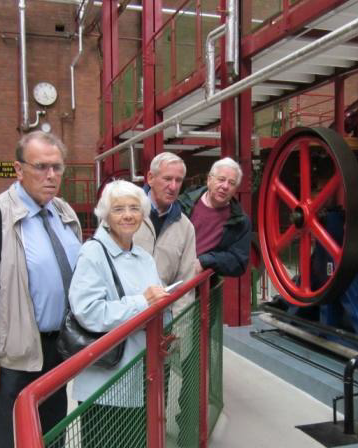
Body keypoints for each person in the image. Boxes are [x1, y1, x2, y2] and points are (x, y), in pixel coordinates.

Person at [0, 131, 82, 448]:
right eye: (41, 167)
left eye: (57, 167)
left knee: (53, 437)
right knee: (16, 441)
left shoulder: (64, 213)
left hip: (58, 350)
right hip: (12, 357)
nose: (51, 176)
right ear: (18, 169)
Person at [68, 180, 170, 448]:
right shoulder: (93, 253)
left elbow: (156, 302)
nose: (128, 215)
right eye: (119, 209)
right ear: (105, 214)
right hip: (107, 383)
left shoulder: (143, 257)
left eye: (135, 208)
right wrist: (142, 302)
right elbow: (88, 311)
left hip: (143, 375)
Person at [133, 152, 197, 446]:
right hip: (127, 323)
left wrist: (180, 331)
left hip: (163, 326)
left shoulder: (185, 227)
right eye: (167, 178)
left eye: (178, 180)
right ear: (150, 178)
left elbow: (185, 283)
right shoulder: (128, 212)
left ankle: (153, 439)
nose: (173, 186)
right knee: (128, 392)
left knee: (161, 389)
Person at [179, 157, 251, 277]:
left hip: (200, 283)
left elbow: (239, 262)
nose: (225, 186)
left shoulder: (240, 221)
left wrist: (205, 261)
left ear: (235, 190)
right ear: (209, 180)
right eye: (221, 179)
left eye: (231, 183)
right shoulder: (183, 203)